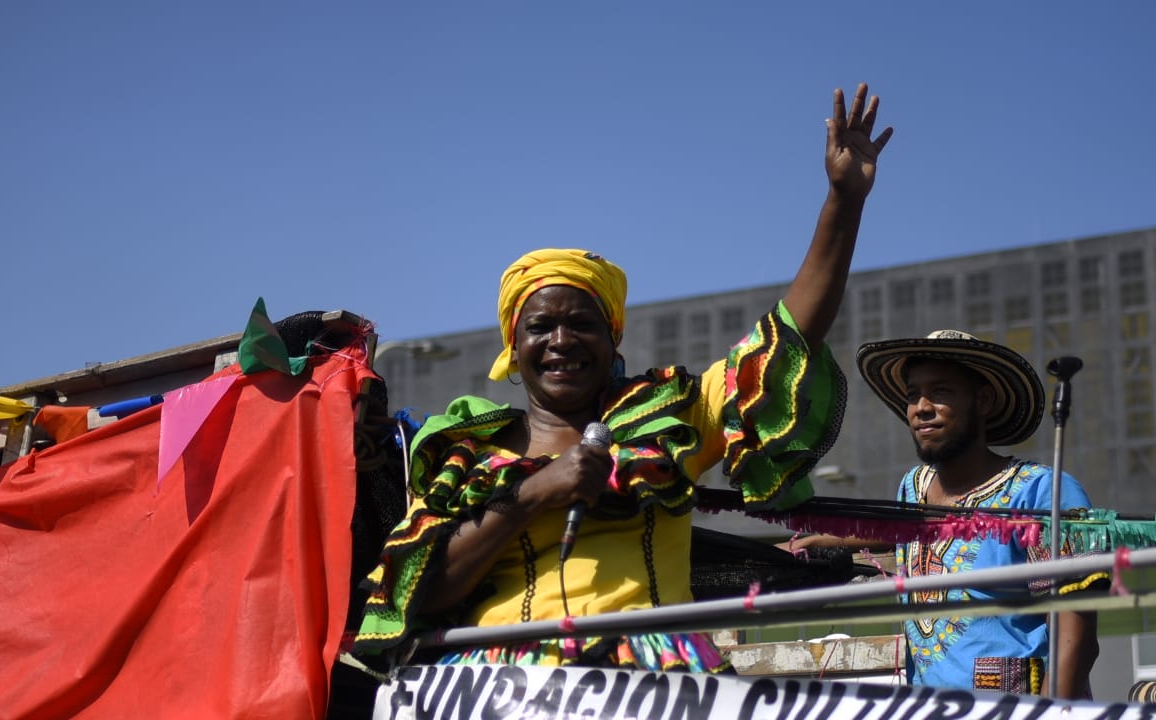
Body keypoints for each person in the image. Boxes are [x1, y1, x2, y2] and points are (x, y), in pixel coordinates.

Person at [350, 83, 893, 672]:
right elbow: (418, 593)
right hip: (498, 690)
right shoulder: (467, 451)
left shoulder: (669, 416)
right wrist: (534, 493)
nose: (561, 342)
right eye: (540, 328)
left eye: (582, 324)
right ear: (514, 344)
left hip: (651, 686)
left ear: (614, 338)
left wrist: (844, 201)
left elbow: (786, 338)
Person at [853, 330, 1106, 698]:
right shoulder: (912, 487)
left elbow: (1077, 640)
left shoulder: (1043, 492)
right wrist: (802, 545)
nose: (921, 407)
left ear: (983, 400)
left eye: (940, 391)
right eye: (912, 395)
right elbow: (891, 531)